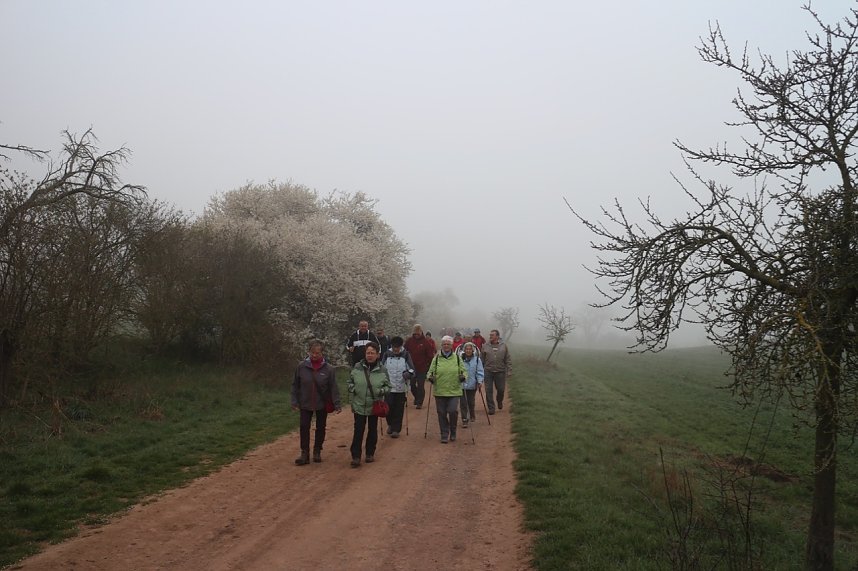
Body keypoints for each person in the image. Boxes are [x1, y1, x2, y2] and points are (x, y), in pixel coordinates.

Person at [291, 339, 342, 465]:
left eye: (317, 353)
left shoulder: (329, 369)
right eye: (312, 352)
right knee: (304, 427)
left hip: (321, 403)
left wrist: (337, 404)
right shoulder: (301, 367)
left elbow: (333, 387)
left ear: (322, 354)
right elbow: (295, 385)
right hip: (305, 402)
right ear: (308, 352)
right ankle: (304, 453)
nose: (314, 355)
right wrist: (294, 401)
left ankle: (317, 450)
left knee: (320, 427)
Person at [347, 342, 390, 467]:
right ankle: (356, 456)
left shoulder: (382, 370)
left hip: (374, 405)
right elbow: (350, 381)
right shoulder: (357, 366)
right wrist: (352, 388)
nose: (370, 355)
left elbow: (388, 386)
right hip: (359, 403)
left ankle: (370, 453)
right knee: (358, 430)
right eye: (368, 353)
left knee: (372, 429)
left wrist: (381, 391)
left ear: (378, 354)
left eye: (372, 353)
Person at [427, 335, 467, 443]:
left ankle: (453, 431)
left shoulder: (457, 358)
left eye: (448, 344)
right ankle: (444, 434)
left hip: (454, 390)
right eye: (444, 344)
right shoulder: (436, 359)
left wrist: (463, 376)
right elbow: (430, 372)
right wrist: (430, 377)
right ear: (441, 345)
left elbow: (464, 371)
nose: (446, 346)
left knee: (452, 411)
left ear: (451, 345)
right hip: (440, 390)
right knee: (441, 413)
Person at [381, 336, 414, 437]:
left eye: (398, 347)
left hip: (401, 387)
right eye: (394, 347)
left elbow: (412, 370)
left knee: (399, 409)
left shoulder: (406, 355)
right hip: (389, 387)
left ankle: (396, 429)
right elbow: (381, 368)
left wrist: (408, 374)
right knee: (388, 407)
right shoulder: (386, 354)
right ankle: (390, 424)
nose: (396, 349)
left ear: (401, 346)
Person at [404, 324, 436, 409]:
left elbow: (430, 355)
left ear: (421, 333)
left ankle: (420, 402)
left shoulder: (426, 342)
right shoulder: (409, 341)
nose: (416, 336)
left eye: (418, 334)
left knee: (421, 385)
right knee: (412, 385)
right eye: (415, 334)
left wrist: (430, 366)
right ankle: (417, 397)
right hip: (411, 368)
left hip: (422, 368)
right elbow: (405, 351)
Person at [480, 329, 511, 415]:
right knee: (488, 390)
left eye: (492, 335)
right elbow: (481, 359)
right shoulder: (485, 346)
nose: (490, 336)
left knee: (501, 389)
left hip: (500, 371)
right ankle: (491, 408)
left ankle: (499, 400)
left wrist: (509, 370)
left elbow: (507, 359)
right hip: (488, 371)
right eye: (490, 335)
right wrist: (479, 371)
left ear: (497, 336)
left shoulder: (504, 346)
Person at [459, 342, 484, 427]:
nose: (468, 350)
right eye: (466, 349)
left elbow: (480, 372)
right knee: (463, 403)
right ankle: (464, 419)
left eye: (470, 349)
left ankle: (472, 413)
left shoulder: (477, 359)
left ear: (472, 350)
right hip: (462, 384)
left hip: (472, 384)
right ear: (464, 350)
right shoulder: (459, 359)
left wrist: (480, 381)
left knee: (471, 402)